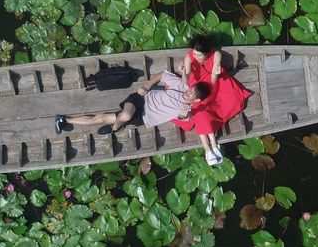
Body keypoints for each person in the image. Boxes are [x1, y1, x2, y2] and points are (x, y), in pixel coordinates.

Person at [54, 70, 222, 162]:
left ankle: (64, 119)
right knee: (126, 115)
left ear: (196, 100)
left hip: (144, 117)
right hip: (140, 100)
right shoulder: (181, 86)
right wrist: (147, 86)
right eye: (190, 89)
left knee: (99, 118)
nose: (188, 93)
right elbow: (162, 75)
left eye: (192, 94)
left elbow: (187, 118)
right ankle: (115, 128)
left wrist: (186, 115)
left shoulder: (187, 111)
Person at [174, 34, 253, 161]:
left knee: (227, 101)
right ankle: (212, 147)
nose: (196, 56)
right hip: (196, 85)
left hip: (212, 84)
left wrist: (216, 73)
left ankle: (210, 150)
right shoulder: (189, 56)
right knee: (200, 109)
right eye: (194, 53)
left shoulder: (216, 55)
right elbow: (185, 81)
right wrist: (183, 71)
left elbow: (213, 80)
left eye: (199, 55)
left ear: (207, 53)